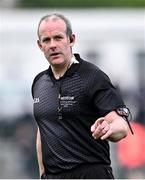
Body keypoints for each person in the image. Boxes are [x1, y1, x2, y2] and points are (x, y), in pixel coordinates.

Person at [32, 13, 133, 179]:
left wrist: (108, 128)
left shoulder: (93, 77)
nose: (53, 45)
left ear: (71, 40)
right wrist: (42, 174)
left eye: (58, 38)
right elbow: (42, 129)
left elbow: (121, 126)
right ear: (39, 45)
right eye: (46, 40)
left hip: (91, 174)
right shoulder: (39, 83)